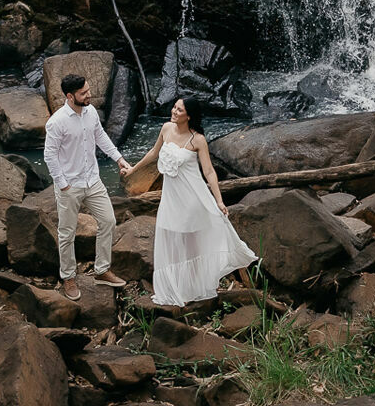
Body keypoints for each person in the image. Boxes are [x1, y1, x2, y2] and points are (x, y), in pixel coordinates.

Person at [135, 96, 257, 306]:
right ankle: (174, 287)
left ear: (189, 116)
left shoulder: (197, 139)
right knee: (170, 238)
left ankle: (193, 287)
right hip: (170, 199)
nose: (173, 111)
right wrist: (132, 170)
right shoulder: (165, 128)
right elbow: (154, 153)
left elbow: (209, 172)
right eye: (174, 107)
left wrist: (219, 201)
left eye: (179, 110)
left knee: (190, 243)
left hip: (192, 199)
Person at [43, 72, 133, 300]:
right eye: (84, 93)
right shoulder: (56, 122)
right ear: (70, 96)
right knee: (67, 233)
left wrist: (119, 158)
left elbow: (100, 136)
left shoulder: (91, 111)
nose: (89, 95)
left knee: (109, 221)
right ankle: (68, 277)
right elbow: (49, 156)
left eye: (89, 90)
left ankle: (102, 270)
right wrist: (62, 184)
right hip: (69, 185)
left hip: (93, 180)